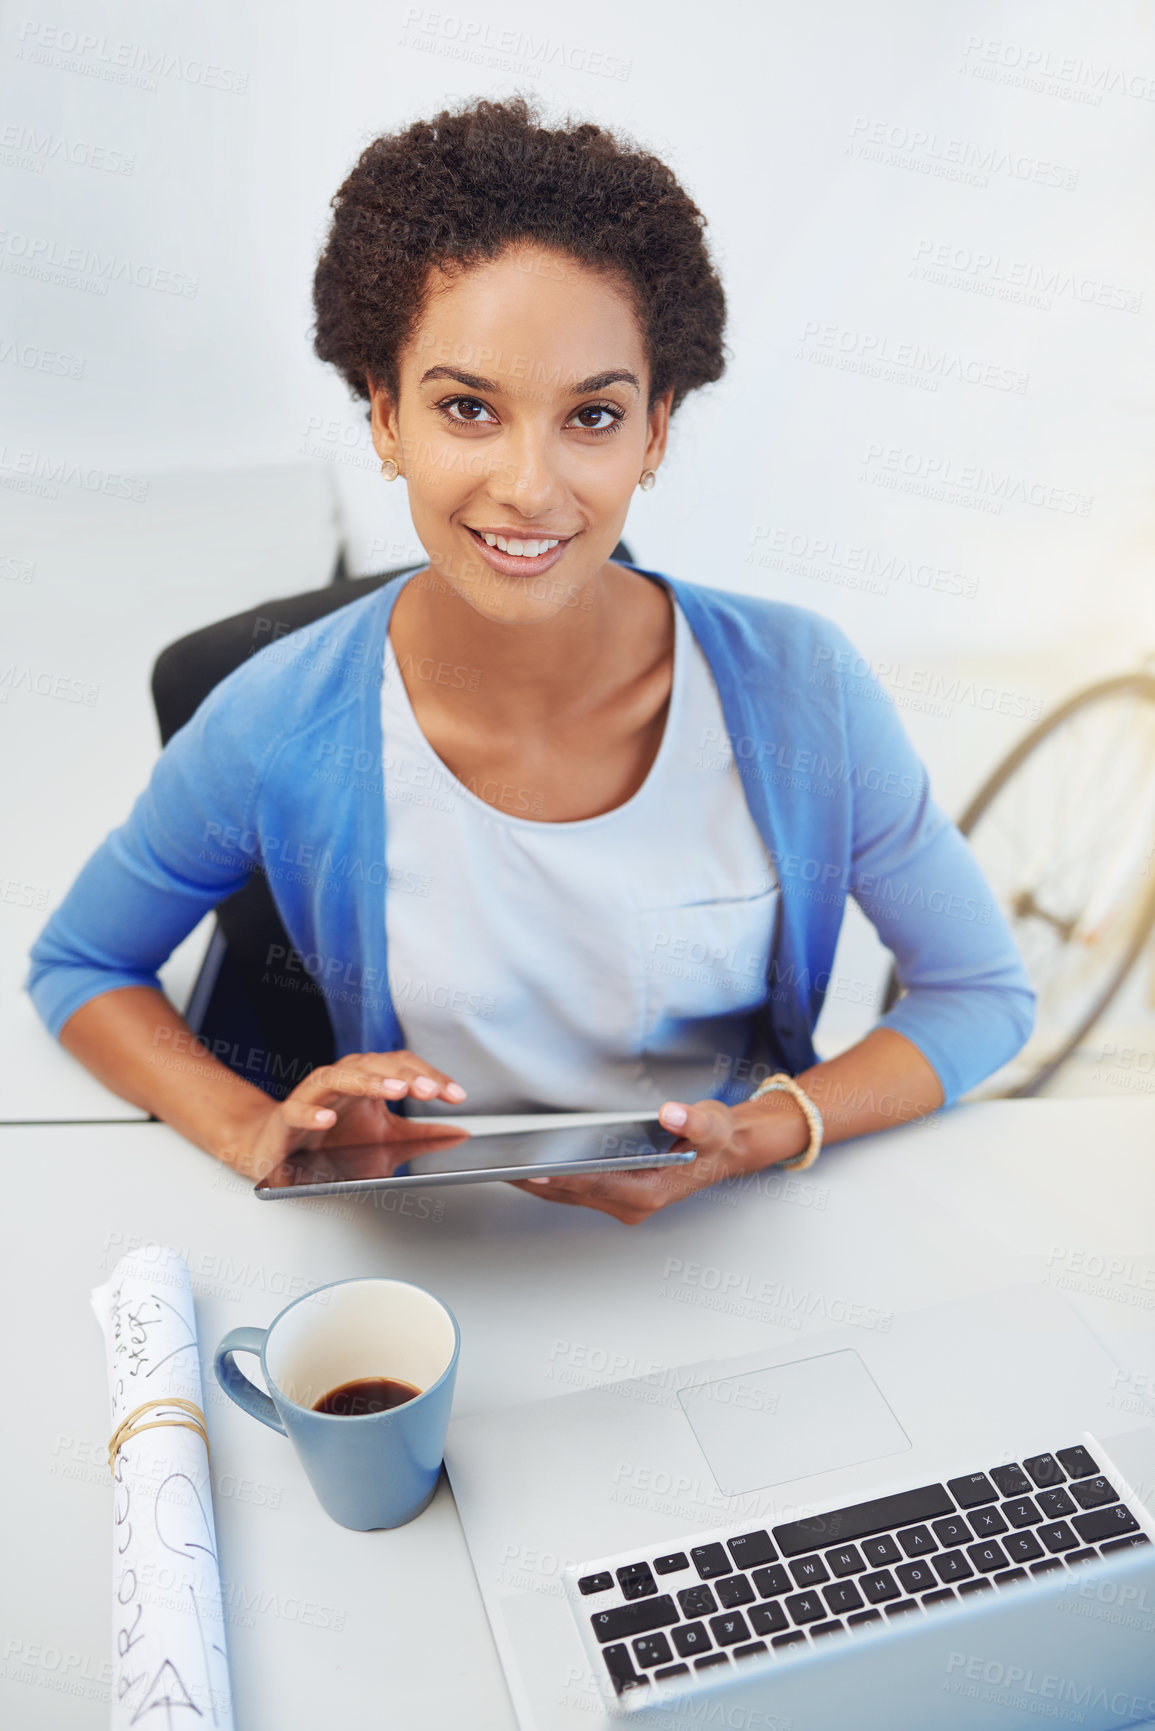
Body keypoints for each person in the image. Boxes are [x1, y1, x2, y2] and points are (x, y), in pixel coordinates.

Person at [26, 95, 1034, 1224]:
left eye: (592, 418)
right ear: (385, 418)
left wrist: (757, 1135)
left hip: (725, 1235)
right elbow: (81, 968)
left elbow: (979, 995)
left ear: (657, 430)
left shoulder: (804, 690)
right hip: (423, 1251)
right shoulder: (277, 717)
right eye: (468, 408)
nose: (530, 487)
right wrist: (251, 1129)